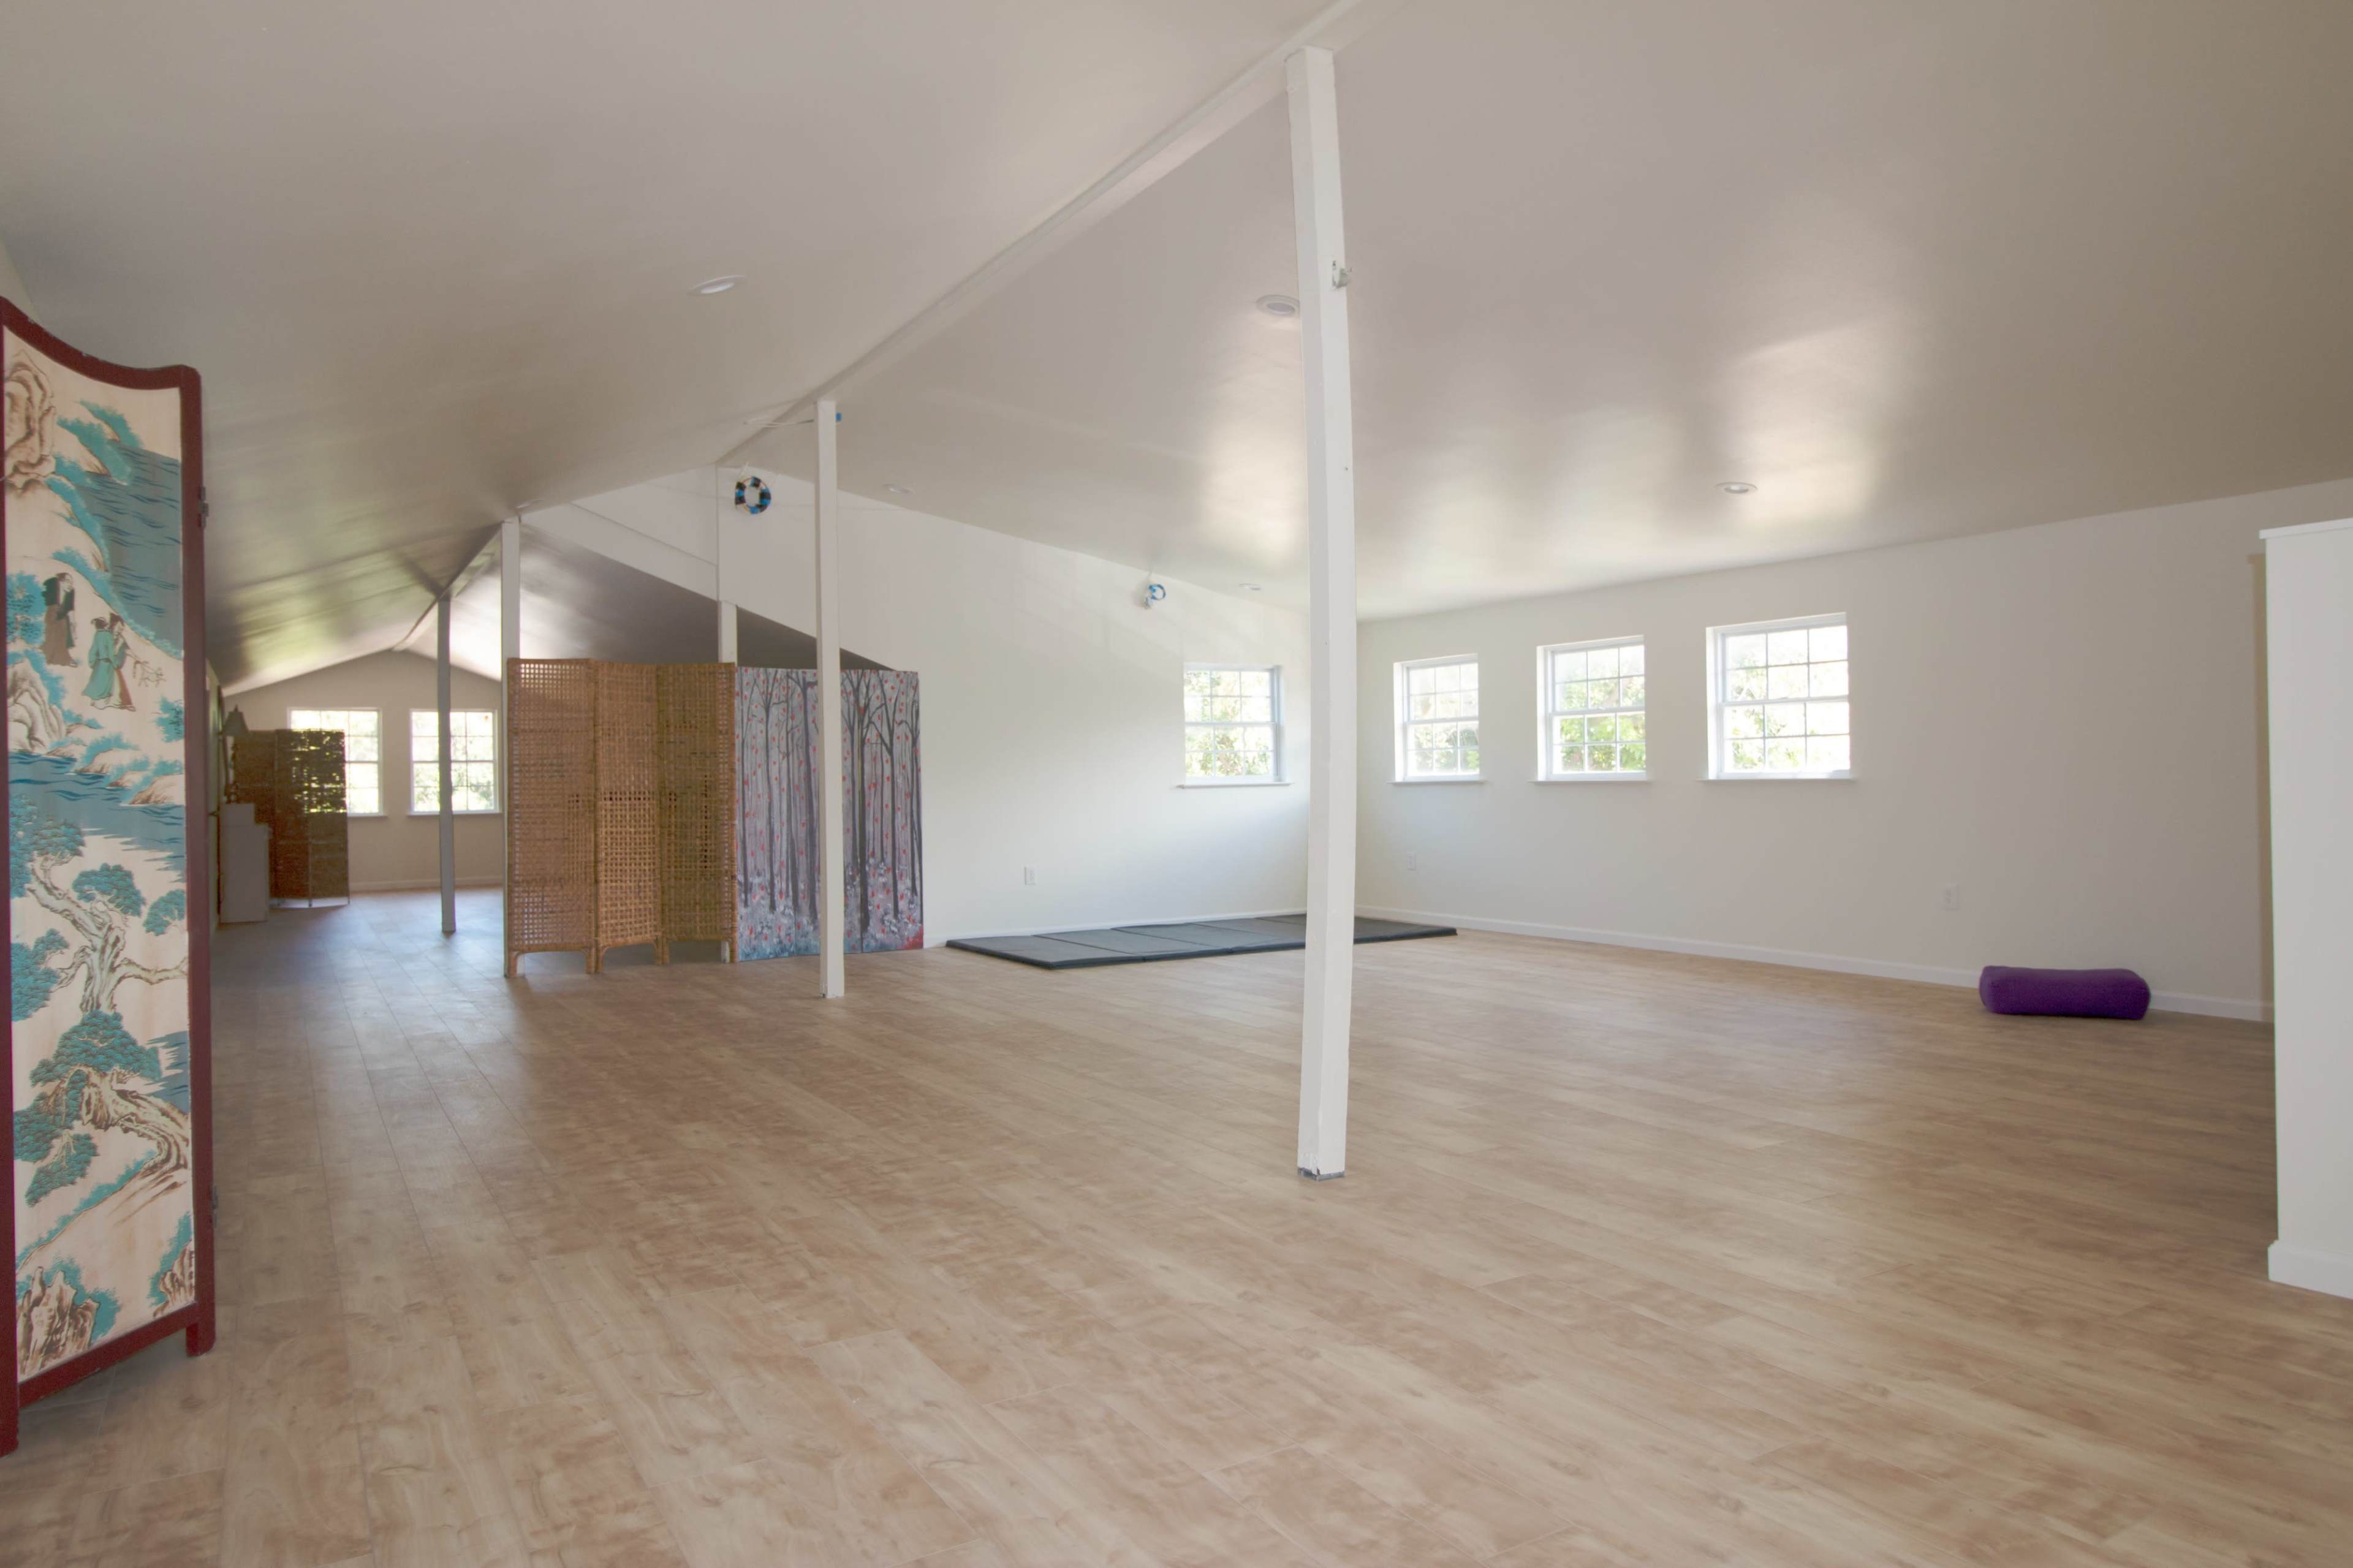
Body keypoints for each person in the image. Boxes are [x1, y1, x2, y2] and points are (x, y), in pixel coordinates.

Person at [83, 613, 131, 711]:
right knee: (106, 684)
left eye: (121, 629)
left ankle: (97, 700)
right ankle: (105, 701)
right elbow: (111, 653)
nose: (120, 631)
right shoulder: (108, 636)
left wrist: (92, 662)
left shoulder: (98, 635)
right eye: (119, 628)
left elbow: (93, 650)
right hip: (108, 663)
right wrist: (114, 663)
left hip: (99, 664)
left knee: (99, 682)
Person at [40, 573, 75, 665]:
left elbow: (71, 609)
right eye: (68, 582)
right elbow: (42, 597)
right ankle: (46, 657)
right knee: (51, 635)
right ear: (61, 581)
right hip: (51, 612)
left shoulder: (71, 591)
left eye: (72, 583)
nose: (71, 585)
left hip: (62, 616)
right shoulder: (52, 584)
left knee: (63, 636)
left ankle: (64, 659)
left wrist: (73, 627)